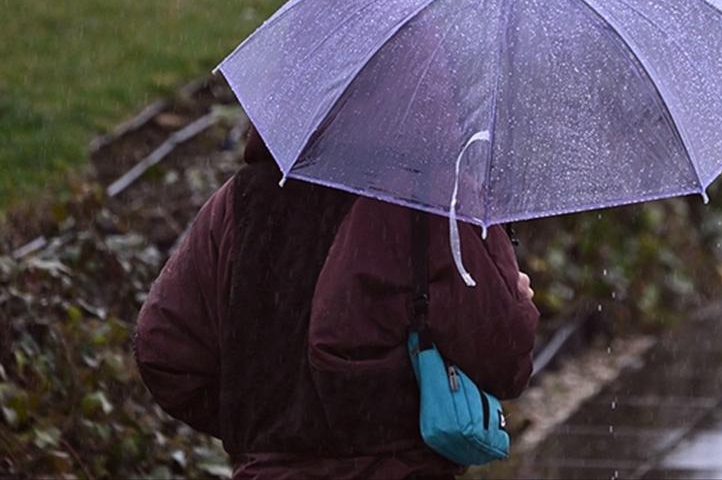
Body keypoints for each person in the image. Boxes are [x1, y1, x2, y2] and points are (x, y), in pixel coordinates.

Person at [133, 129, 539, 479]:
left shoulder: (244, 201)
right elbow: (504, 358)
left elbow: (164, 348)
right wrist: (515, 298)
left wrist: (265, 430)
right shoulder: (430, 200)